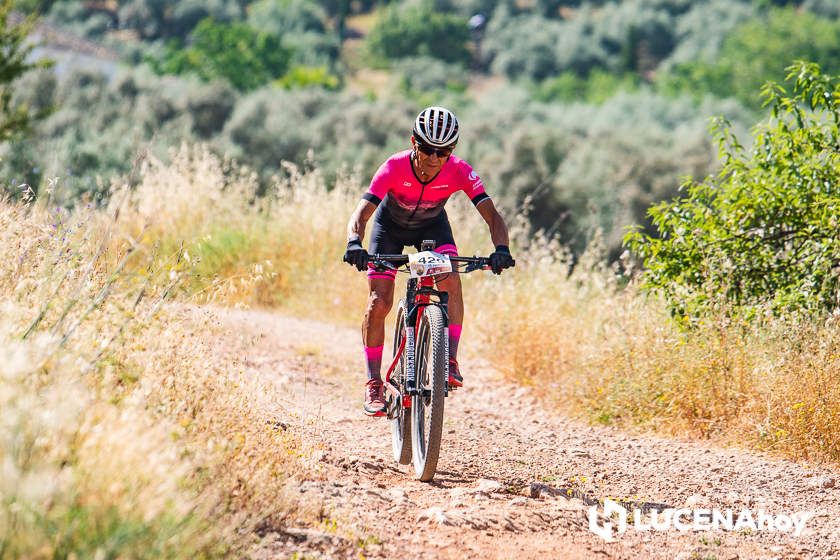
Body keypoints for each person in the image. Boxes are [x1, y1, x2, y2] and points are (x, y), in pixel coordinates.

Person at [343, 106, 514, 417]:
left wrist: (501, 247)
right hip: (388, 229)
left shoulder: (460, 170)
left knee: (450, 277)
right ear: (413, 142)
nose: (434, 158)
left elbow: (492, 215)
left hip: (431, 228)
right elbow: (362, 212)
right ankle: (373, 382)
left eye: (444, 151)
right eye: (427, 149)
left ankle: (448, 359)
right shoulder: (393, 168)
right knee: (378, 302)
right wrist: (354, 241)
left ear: (452, 150)